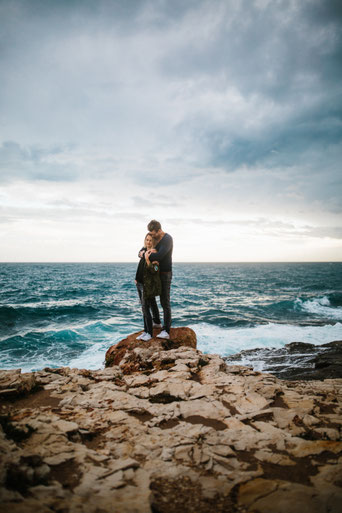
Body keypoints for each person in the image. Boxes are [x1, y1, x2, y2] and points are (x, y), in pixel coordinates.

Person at [144, 220, 173, 339]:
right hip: (155, 274)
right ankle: (156, 322)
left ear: (159, 230)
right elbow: (143, 249)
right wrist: (143, 252)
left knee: (164, 302)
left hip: (165, 274)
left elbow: (160, 256)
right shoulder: (155, 238)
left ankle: (166, 330)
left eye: (153, 233)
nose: (152, 236)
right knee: (150, 297)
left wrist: (147, 255)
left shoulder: (167, 239)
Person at [135, 233, 162, 342]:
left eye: (150, 240)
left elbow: (154, 270)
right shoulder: (144, 250)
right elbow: (140, 265)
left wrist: (147, 259)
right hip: (139, 283)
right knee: (143, 307)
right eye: (147, 240)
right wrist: (136, 278)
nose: (148, 242)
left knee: (146, 308)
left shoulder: (154, 254)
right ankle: (146, 331)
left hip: (147, 285)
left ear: (154, 242)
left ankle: (149, 333)